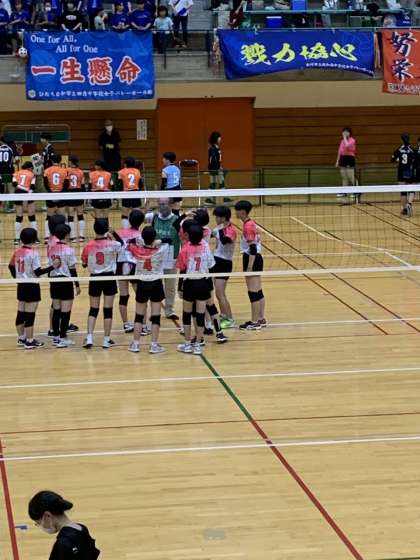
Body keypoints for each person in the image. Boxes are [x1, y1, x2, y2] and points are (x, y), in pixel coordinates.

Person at [9, 228, 57, 350]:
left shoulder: (17, 251)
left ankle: (21, 338)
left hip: (21, 285)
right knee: (30, 314)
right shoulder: (33, 253)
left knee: (21, 312)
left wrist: (17, 278)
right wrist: (52, 267)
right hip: (31, 286)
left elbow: (10, 266)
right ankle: (30, 341)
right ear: (34, 239)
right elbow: (37, 272)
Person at [81, 219, 122, 349]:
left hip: (95, 278)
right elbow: (122, 243)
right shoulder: (113, 244)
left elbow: (84, 263)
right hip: (109, 278)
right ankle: (106, 340)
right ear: (106, 230)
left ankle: (89, 337)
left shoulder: (88, 245)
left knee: (93, 309)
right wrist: (113, 233)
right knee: (108, 310)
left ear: (94, 229)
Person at [128, 226, 169, 354]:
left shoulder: (137, 250)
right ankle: (154, 345)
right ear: (154, 237)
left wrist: (141, 241)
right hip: (156, 283)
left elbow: (130, 242)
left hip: (142, 284)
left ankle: (135, 344)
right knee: (156, 316)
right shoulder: (161, 249)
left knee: (139, 315)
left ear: (143, 237)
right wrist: (158, 241)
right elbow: (168, 240)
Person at [176, 223, 216, 355]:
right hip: (203, 284)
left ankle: (187, 344)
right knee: (200, 315)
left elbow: (182, 268)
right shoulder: (205, 247)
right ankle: (198, 345)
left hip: (190, 284)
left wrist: (180, 287)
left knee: (187, 315)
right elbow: (211, 265)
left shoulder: (185, 249)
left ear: (188, 236)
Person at [28, 491, 100, 560]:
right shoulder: (82, 528)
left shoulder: (63, 544)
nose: (40, 526)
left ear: (47, 516)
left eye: (38, 523)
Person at [146, 198, 183, 321]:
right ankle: (154, 311)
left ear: (171, 205)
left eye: (164, 204)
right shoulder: (154, 217)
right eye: (160, 204)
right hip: (156, 257)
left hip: (171, 258)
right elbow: (137, 218)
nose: (162, 207)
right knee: (154, 285)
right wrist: (146, 209)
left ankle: (169, 310)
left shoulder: (177, 220)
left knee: (170, 286)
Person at [234, 200, 266, 330]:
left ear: (242, 212)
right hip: (257, 258)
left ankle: (254, 322)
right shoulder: (251, 223)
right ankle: (260, 318)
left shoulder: (248, 226)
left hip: (251, 259)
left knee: (253, 292)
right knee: (258, 290)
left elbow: (252, 249)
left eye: (237, 210)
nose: (235, 212)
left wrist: (249, 267)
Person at [48, 224, 80, 348]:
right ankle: (62, 338)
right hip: (65, 282)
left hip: (54, 281)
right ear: (67, 235)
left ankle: (56, 337)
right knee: (65, 312)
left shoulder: (51, 248)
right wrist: (77, 285)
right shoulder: (69, 250)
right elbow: (72, 269)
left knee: (56, 310)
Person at [116, 209, 144, 333]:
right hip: (135, 265)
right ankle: (142, 325)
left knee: (123, 295)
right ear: (141, 222)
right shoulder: (141, 235)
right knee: (140, 296)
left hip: (121, 264)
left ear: (129, 220)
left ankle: (126, 324)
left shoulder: (120, 233)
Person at [211, 205, 236, 329]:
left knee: (220, 293)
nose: (215, 219)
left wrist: (220, 230)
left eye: (217, 217)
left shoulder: (231, 230)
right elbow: (208, 234)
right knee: (217, 293)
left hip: (224, 263)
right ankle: (223, 315)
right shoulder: (218, 228)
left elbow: (226, 240)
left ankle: (230, 319)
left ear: (223, 218)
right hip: (216, 261)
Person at [13, 161, 38, 245]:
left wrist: (22, 188)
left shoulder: (16, 173)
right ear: (30, 168)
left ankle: (17, 239)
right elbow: (33, 187)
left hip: (18, 193)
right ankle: (35, 238)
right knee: (32, 216)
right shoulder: (32, 174)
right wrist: (27, 191)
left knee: (19, 216)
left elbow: (14, 184)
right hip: (29, 193)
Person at [44, 153, 68, 241]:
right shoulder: (64, 171)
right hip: (61, 195)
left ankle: (47, 236)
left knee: (49, 216)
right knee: (62, 216)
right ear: (60, 161)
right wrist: (61, 193)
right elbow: (66, 184)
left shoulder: (47, 170)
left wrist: (51, 193)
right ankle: (62, 236)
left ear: (51, 161)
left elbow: (45, 183)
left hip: (50, 194)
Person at [392, 133, 415, 216]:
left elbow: (392, 159)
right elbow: (415, 160)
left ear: (401, 140)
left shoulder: (399, 149)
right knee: (412, 189)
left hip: (401, 172)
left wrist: (398, 159)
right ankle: (409, 203)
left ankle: (405, 209)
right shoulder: (412, 149)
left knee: (403, 192)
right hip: (409, 171)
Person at [118, 157, 143, 228]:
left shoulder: (121, 172)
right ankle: (136, 229)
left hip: (126, 193)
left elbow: (120, 185)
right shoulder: (137, 171)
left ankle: (126, 230)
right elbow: (140, 184)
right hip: (135, 193)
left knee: (125, 214)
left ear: (125, 164)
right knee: (137, 213)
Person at [66, 155, 86, 242]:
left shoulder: (67, 170)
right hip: (79, 192)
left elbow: (65, 183)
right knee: (80, 215)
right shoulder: (81, 172)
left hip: (70, 193)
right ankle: (82, 236)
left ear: (70, 162)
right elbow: (83, 185)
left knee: (70, 216)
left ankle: (72, 237)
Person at [206, 131, 230, 206]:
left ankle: (211, 199)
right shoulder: (213, 148)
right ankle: (210, 199)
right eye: (219, 137)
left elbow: (216, 159)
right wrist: (216, 168)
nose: (220, 139)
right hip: (214, 169)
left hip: (215, 168)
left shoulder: (216, 147)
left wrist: (220, 166)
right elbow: (213, 160)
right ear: (216, 138)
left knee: (218, 183)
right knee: (217, 183)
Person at [335, 127, 357, 199]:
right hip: (343, 158)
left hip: (349, 158)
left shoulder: (352, 140)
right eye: (344, 132)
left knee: (351, 176)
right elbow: (340, 151)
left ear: (349, 133)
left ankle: (357, 191)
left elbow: (347, 146)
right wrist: (337, 160)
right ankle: (344, 192)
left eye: (346, 132)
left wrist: (344, 138)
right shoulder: (342, 141)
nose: (344, 133)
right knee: (344, 176)